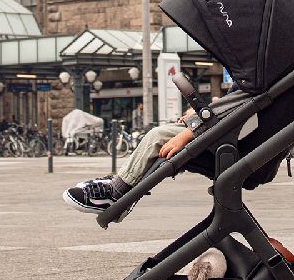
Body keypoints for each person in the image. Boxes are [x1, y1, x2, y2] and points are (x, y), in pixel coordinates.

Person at [63, 88, 249, 214]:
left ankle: (116, 193)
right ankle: (121, 182)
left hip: (229, 137)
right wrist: (201, 115)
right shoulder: (254, 68)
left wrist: (191, 130)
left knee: (158, 137)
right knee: (159, 135)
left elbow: (242, 103)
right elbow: (234, 101)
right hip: (228, 131)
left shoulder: (255, 70)